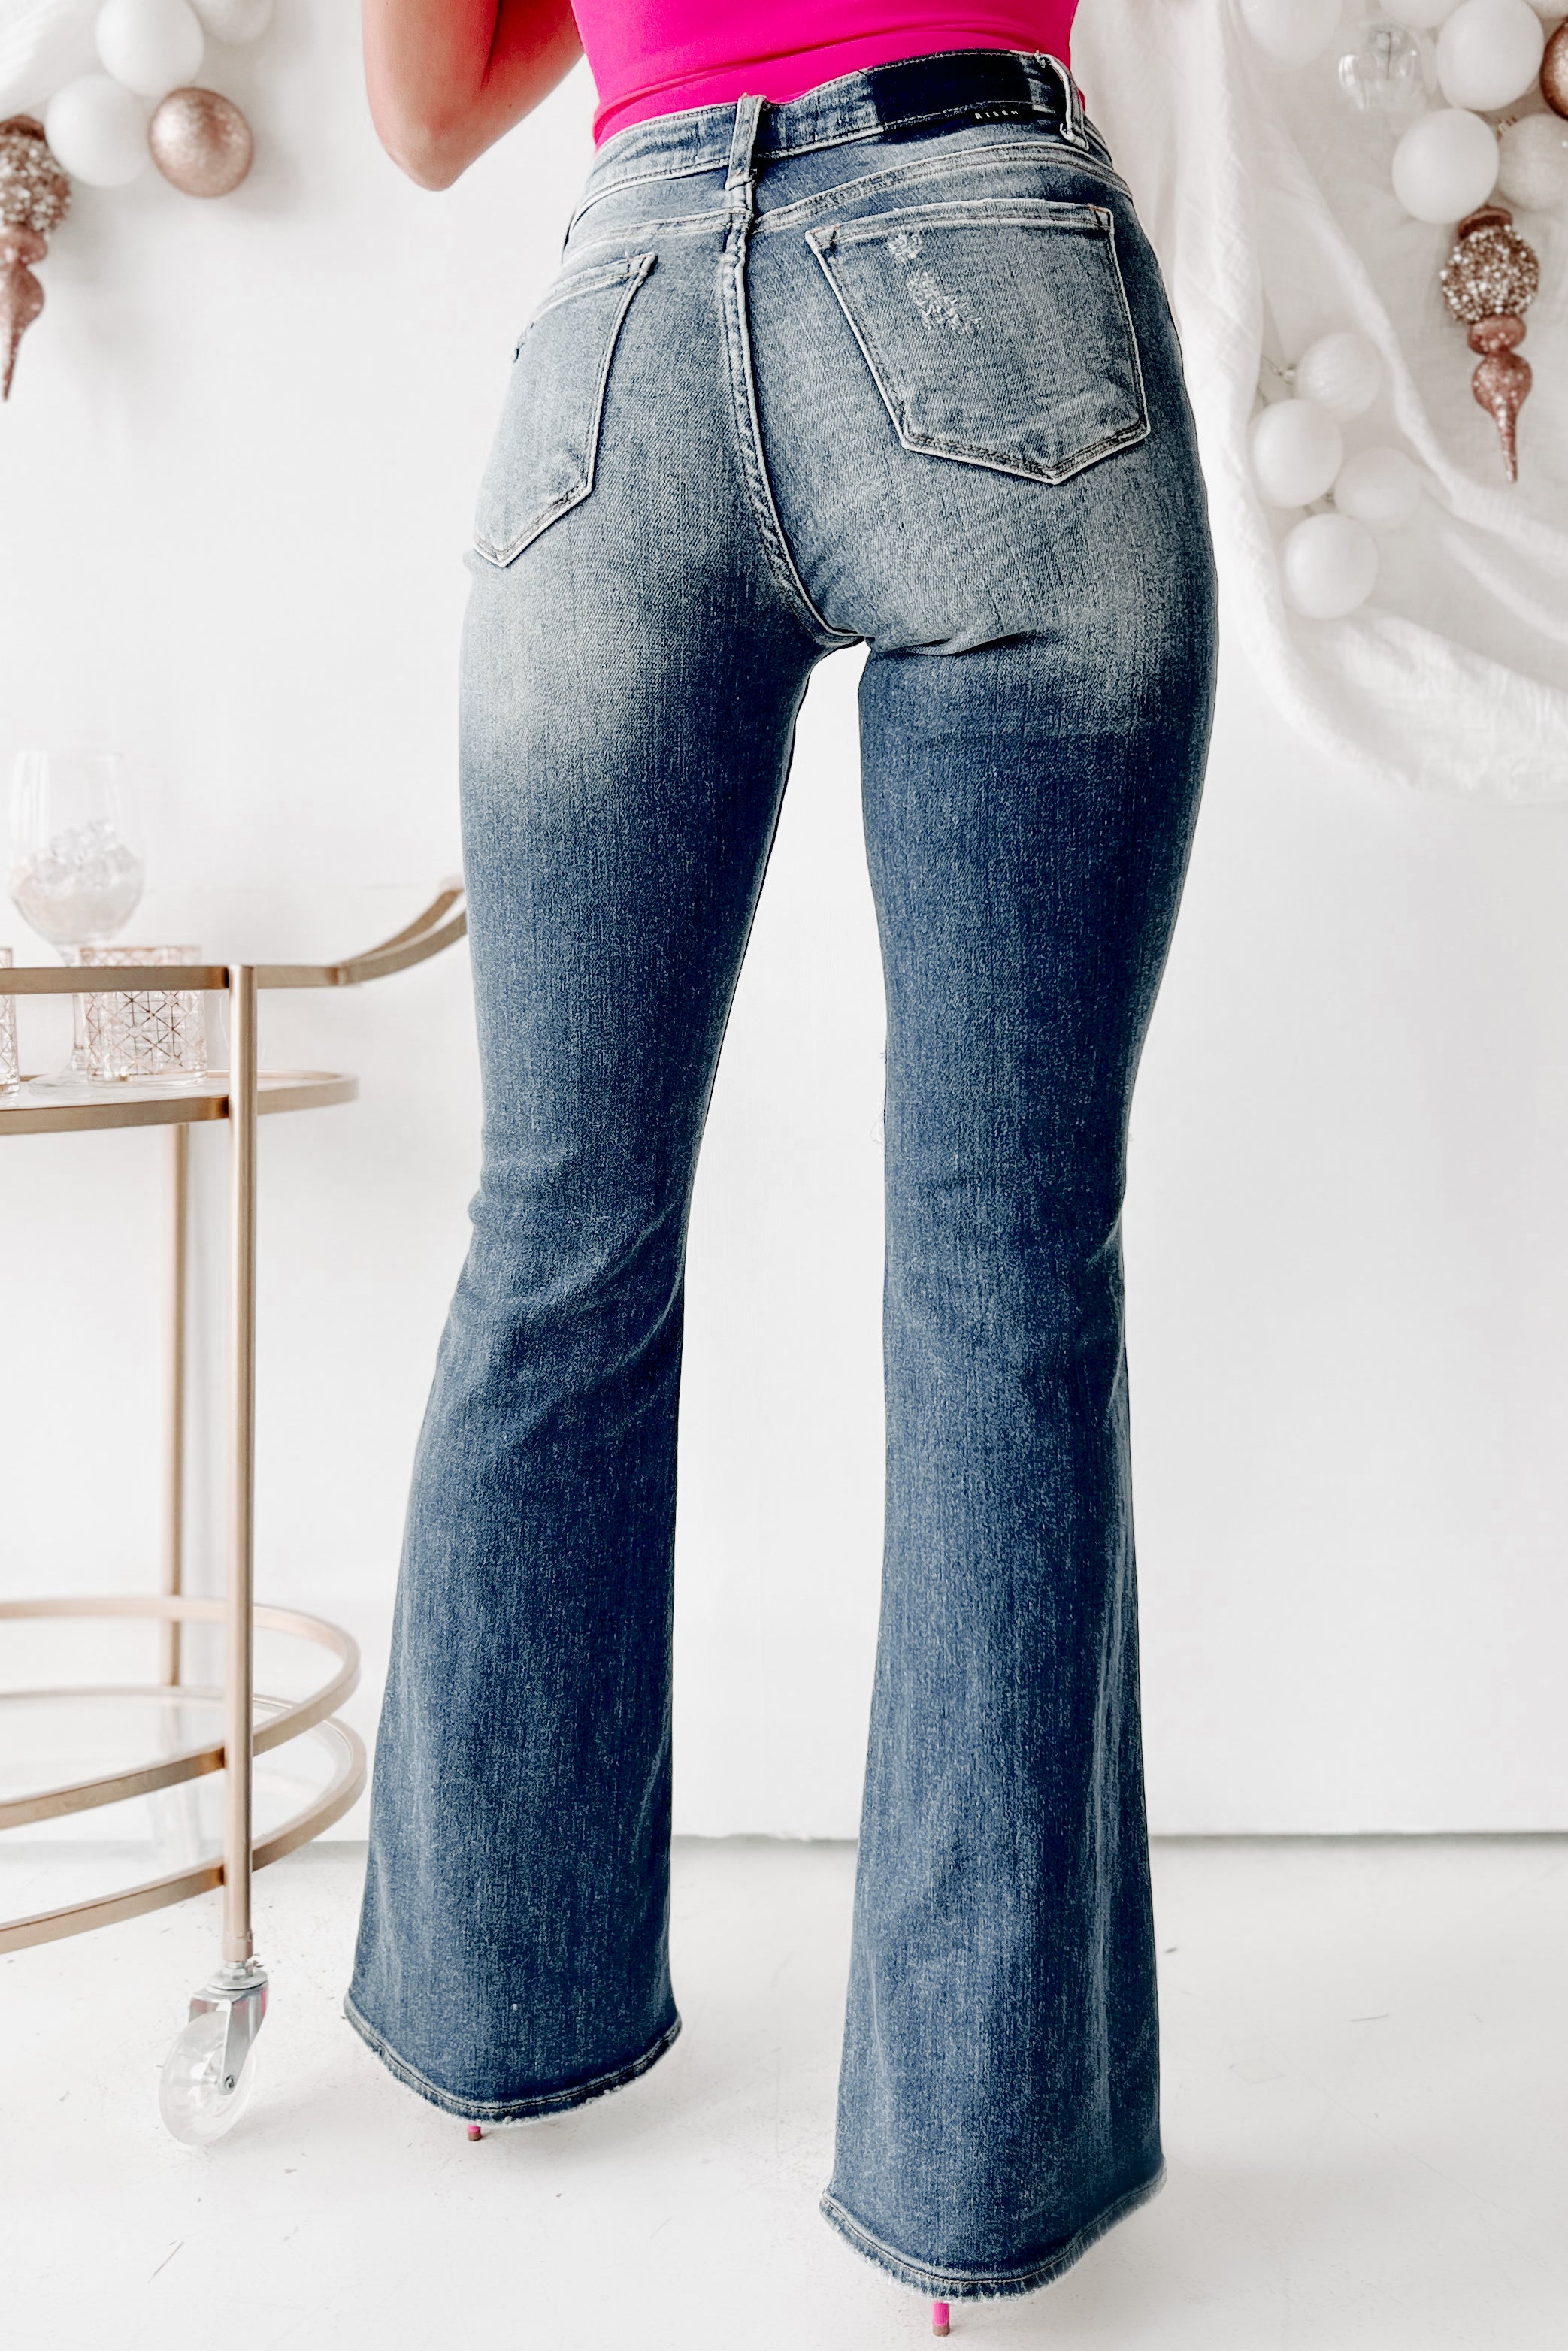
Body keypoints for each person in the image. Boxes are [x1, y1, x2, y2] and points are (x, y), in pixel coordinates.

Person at [346, 0, 1218, 2322]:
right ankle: (975, 2181)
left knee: (560, 1217)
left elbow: (420, 115)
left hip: (622, 322)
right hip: (989, 257)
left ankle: (493, 2023)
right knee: (1006, 1254)